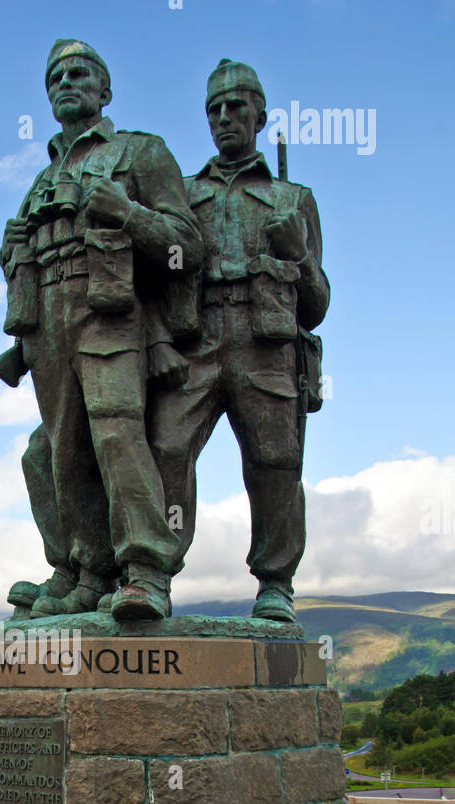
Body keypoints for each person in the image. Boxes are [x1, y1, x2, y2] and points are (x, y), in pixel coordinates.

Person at [0, 38, 202, 621]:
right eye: (54, 76)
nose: (65, 82)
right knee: (61, 451)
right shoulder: (40, 180)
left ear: (105, 90)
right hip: (48, 324)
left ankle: (144, 569)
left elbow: (187, 248)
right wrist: (10, 256)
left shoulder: (140, 152)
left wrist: (128, 213)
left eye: (79, 72)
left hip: (110, 312)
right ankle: (86, 573)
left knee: (116, 433)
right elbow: (27, 255)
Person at [149, 59, 330, 621]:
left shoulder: (293, 199)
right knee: (167, 449)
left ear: (260, 115)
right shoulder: (183, 192)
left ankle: (275, 583)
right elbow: (154, 279)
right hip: (196, 339)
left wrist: (296, 253)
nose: (224, 117)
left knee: (275, 463)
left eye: (235, 106)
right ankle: (154, 572)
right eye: (214, 109)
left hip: (266, 344)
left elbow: (318, 304)